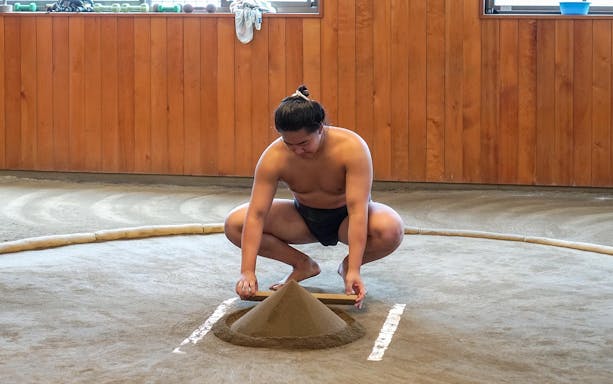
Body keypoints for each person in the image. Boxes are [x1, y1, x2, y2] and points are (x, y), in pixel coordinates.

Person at [224, 85, 404, 308]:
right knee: (235, 224)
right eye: (289, 144)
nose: (297, 151)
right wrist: (247, 271)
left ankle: (346, 267)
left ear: (320, 128)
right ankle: (302, 265)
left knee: (391, 228)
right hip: (303, 218)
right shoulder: (274, 156)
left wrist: (355, 269)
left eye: (304, 143)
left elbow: (358, 211)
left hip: (346, 220)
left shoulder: (352, 148)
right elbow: (256, 214)